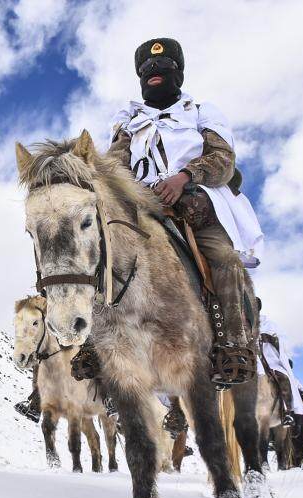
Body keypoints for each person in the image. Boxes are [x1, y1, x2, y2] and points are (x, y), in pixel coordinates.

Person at [108, 38, 264, 383]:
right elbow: (113, 167)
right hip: (141, 205)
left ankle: (232, 345)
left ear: (178, 74)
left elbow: (223, 159)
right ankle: (97, 346)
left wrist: (184, 177)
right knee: (99, 252)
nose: (153, 72)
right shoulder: (128, 123)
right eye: (146, 70)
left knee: (222, 256)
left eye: (162, 68)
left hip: (193, 200)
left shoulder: (201, 112)